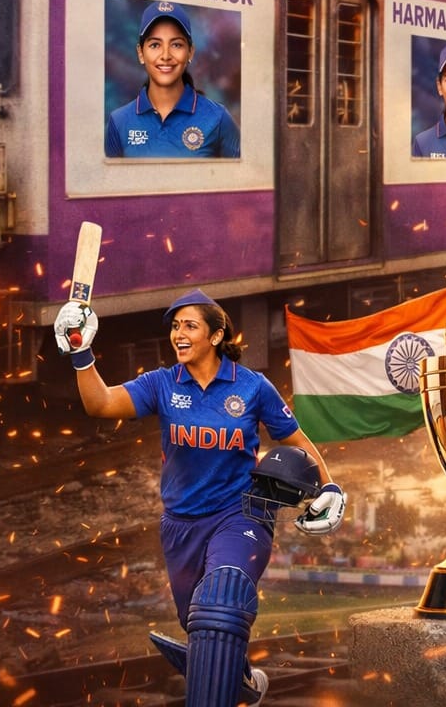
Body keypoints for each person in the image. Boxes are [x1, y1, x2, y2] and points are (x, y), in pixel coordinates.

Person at [53, 288, 347, 706]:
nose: (179, 334)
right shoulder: (162, 383)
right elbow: (100, 404)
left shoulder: (251, 387)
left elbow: (295, 439)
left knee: (220, 601)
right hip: (180, 525)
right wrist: (81, 353)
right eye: (175, 326)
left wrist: (330, 486)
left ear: (216, 335)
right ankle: (242, 681)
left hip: (241, 514)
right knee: (202, 625)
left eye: (190, 326)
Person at [105, 0, 241, 158]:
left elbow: (245, 172)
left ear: (190, 52)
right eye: (155, 45)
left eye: (176, 45)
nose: (165, 56)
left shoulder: (218, 118)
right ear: (141, 53)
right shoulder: (119, 121)